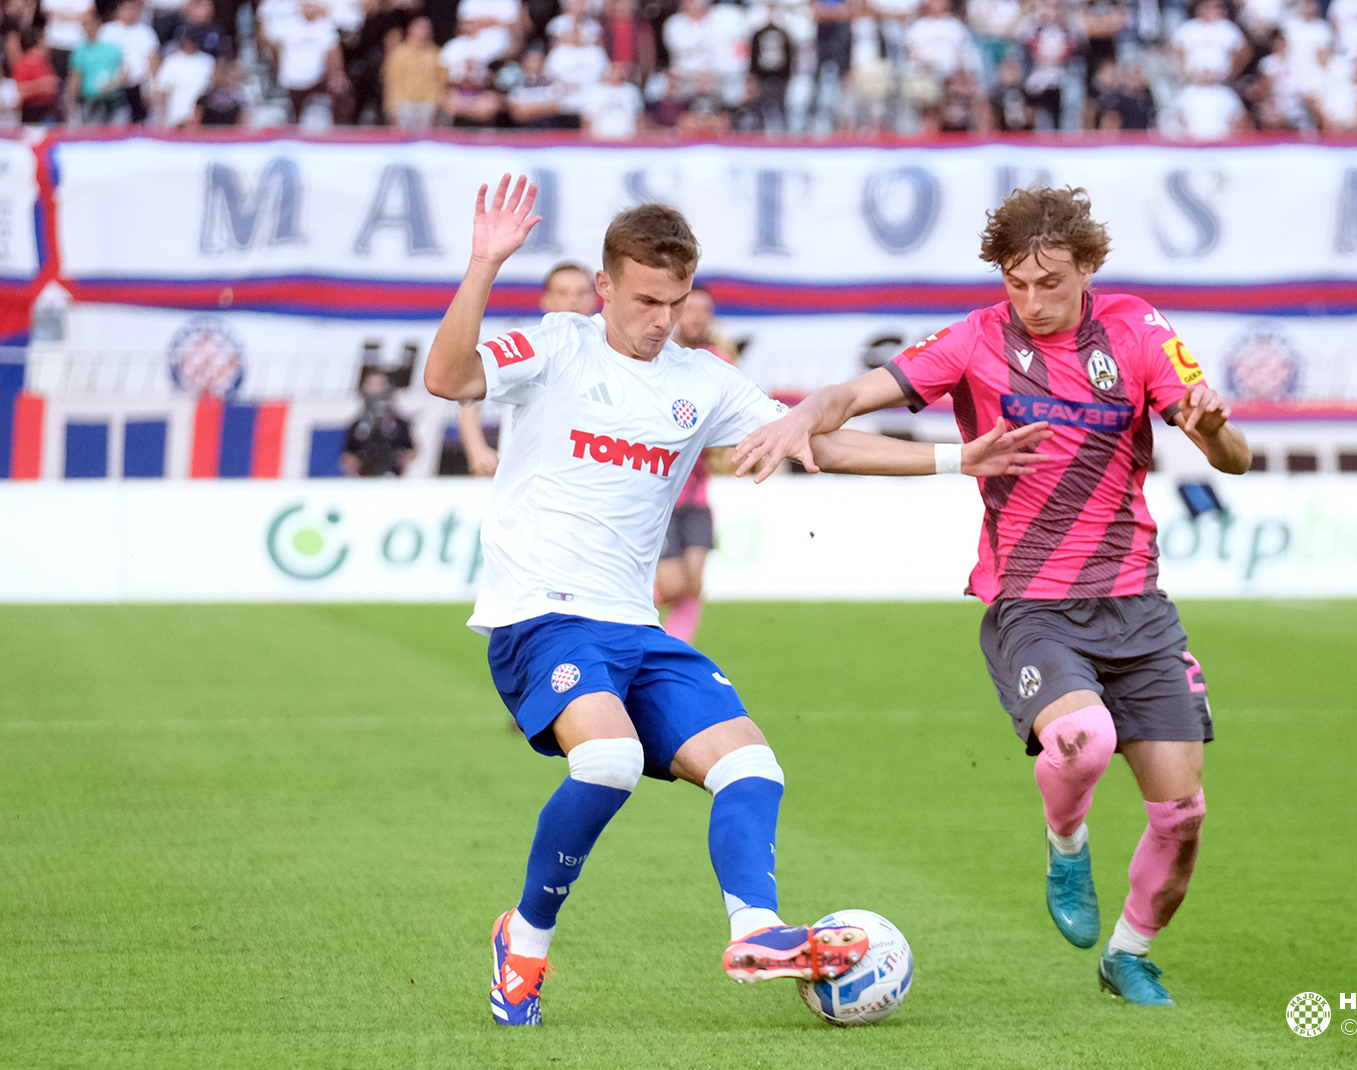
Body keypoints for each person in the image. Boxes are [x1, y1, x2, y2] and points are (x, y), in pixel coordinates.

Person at [421, 174, 1044, 1026]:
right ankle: (522, 947)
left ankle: (758, 930)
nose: (660, 320)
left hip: (634, 626)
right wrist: (484, 265)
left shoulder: (701, 379)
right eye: (645, 300)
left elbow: (815, 438)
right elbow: (446, 376)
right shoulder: (557, 347)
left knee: (753, 767)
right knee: (603, 763)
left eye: (674, 302)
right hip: (542, 613)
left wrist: (956, 459)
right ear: (605, 287)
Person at [729, 184, 1253, 1007]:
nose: (1034, 301)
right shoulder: (975, 340)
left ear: (1088, 268)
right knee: (1082, 736)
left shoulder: (1137, 330)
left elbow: (1233, 457)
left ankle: (1130, 954)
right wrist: (806, 418)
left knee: (1182, 815)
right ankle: (1065, 840)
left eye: (1052, 283)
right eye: (1017, 283)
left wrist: (1214, 424)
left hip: (1138, 606)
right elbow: (852, 397)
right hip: (1032, 603)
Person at [458, 259, 597, 477]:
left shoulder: (608, 351)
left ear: (595, 298)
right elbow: (469, 391)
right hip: (524, 479)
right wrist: (476, 450)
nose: (573, 300)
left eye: (581, 293)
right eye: (563, 292)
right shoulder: (527, 349)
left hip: (585, 478)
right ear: (547, 300)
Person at [654, 285, 725, 645]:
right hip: (663, 494)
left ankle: (674, 649)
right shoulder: (662, 358)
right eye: (690, 309)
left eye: (704, 310)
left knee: (694, 584)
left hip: (697, 494)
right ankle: (613, 612)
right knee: (673, 583)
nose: (696, 317)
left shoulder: (719, 361)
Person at [341, 367, 416, 476]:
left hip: (392, 476)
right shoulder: (358, 425)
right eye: (371, 384)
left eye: (380, 384)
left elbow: (411, 450)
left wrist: (403, 462)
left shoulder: (397, 422)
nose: (376, 390)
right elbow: (347, 454)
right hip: (365, 477)